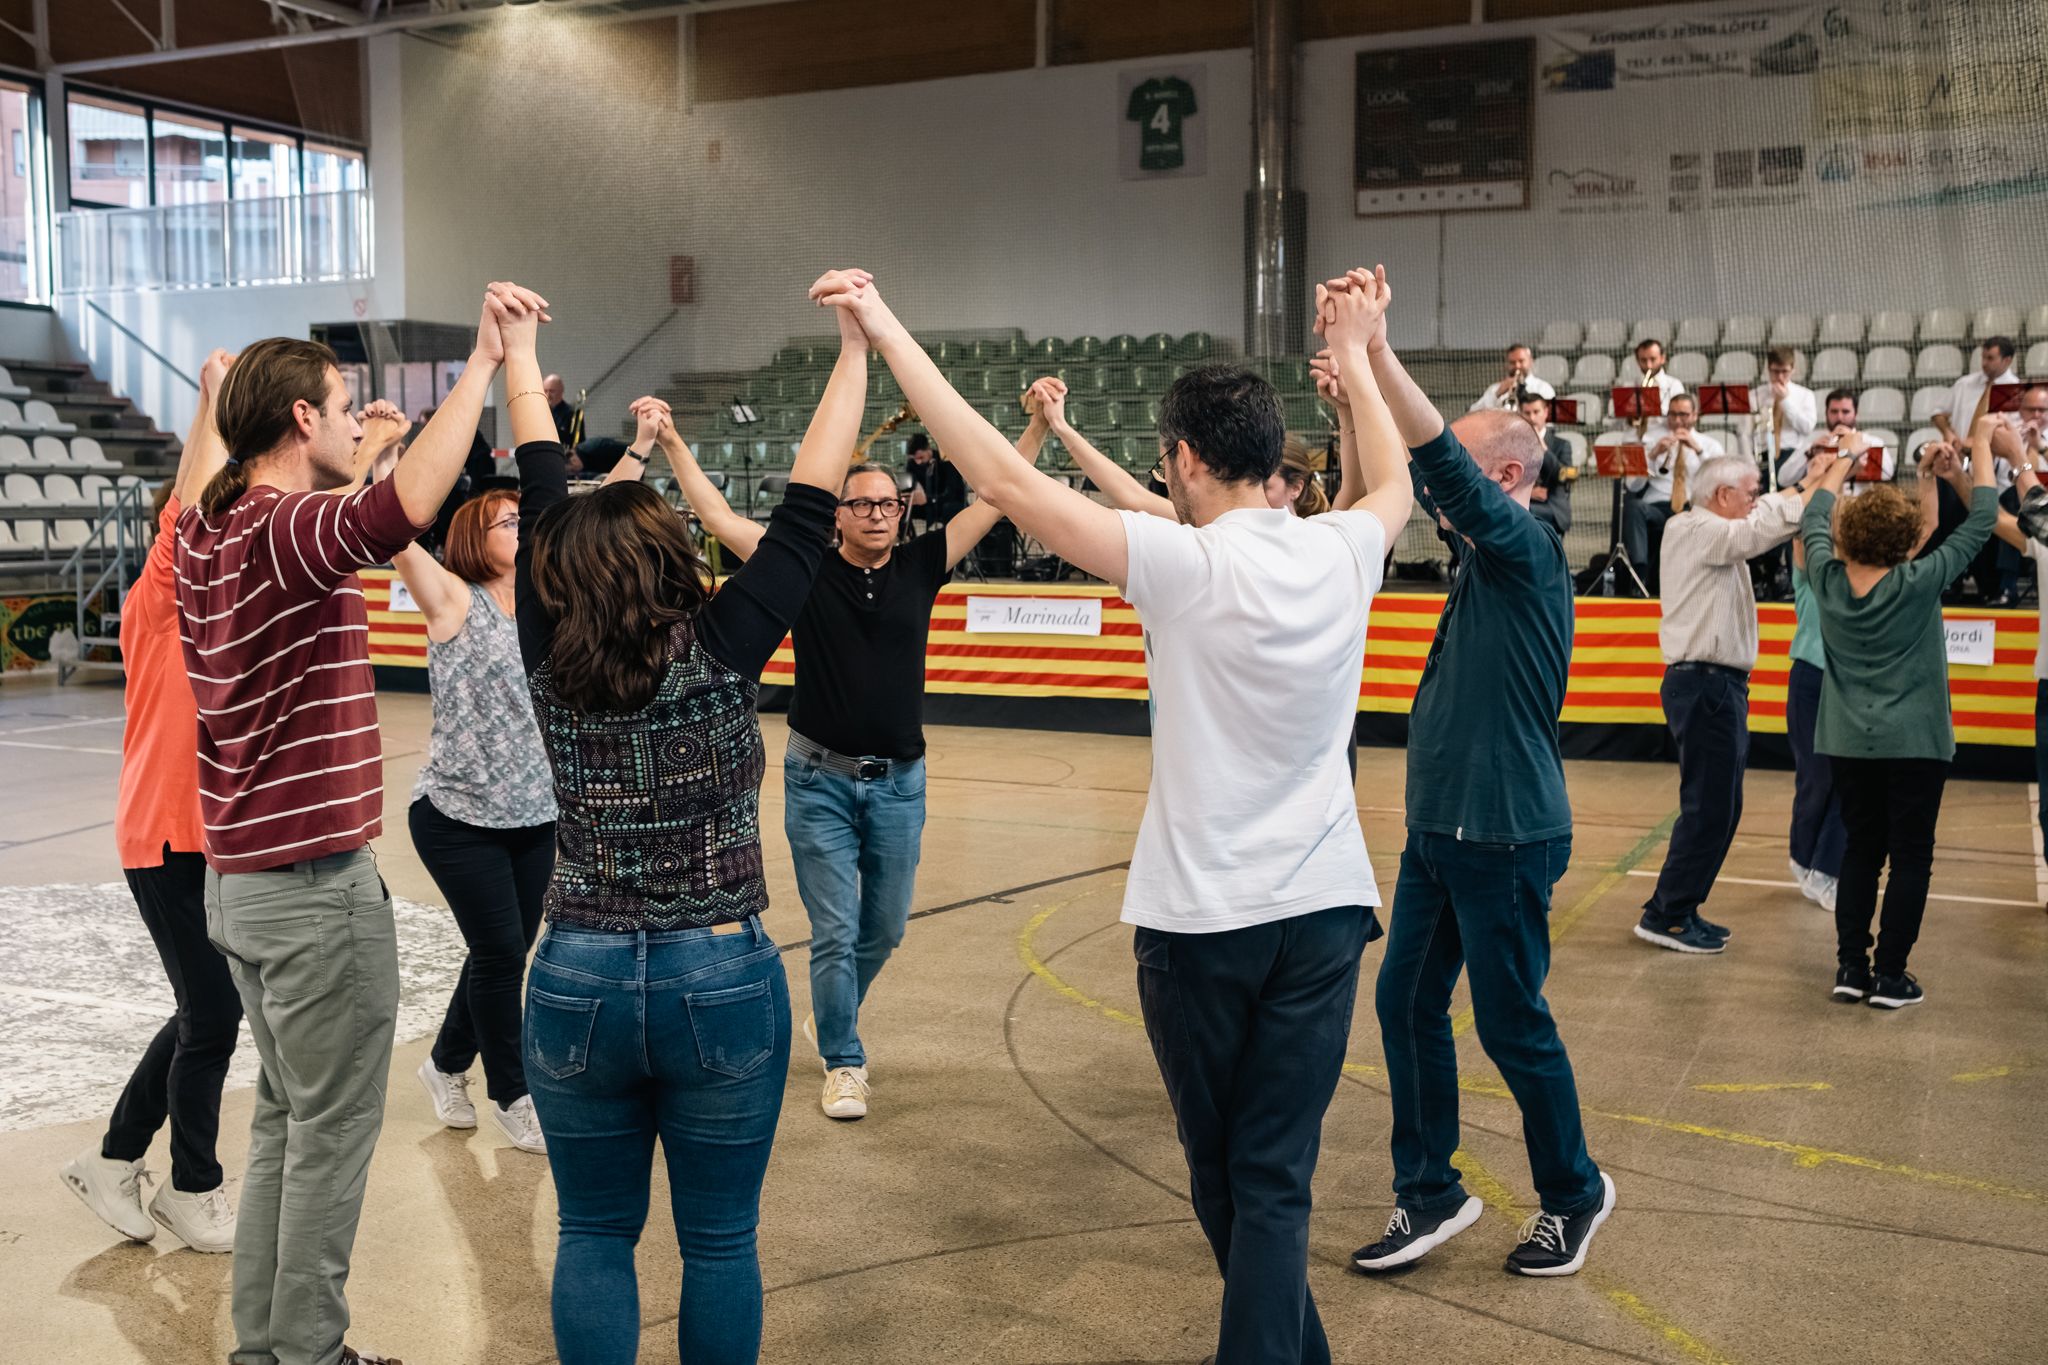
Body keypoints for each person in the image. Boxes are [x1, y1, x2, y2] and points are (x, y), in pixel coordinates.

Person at [823, 267, 1413, 1363]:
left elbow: (996, 470)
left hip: (1202, 927)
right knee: (1271, 1178)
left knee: (1222, 1174)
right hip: (1328, 913)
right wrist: (1366, 351)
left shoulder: (1182, 566)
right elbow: (1395, 488)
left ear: (1184, 459)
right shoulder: (1340, 552)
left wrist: (886, 326)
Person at [179, 282, 540, 1365]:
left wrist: (330, 437)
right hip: (308, 888)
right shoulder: (287, 530)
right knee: (330, 1136)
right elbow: (401, 513)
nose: (357, 421)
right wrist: (480, 364)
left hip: (239, 882)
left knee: (290, 1123)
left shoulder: (209, 530)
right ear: (298, 421)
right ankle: (311, 1352)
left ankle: (270, 1346)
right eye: (344, 407)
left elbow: (231, 476)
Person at [512, 271, 864, 1364]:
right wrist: (854, 350)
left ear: (557, 572)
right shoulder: (723, 648)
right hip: (719, 972)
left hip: (574, 969)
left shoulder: (542, 649)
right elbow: (808, 511)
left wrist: (516, 352)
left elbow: (536, 482)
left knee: (594, 1233)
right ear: (676, 562)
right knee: (718, 1244)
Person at [1325, 270, 1613, 1281]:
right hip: (1441, 834)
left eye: (1460, 471)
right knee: (1405, 1004)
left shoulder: (1527, 549)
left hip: (1503, 834)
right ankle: (1429, 1193)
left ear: (1500, 480)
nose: (1439, 488)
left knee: (1508, 1023)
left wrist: (1372, 355)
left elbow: (1432, 465)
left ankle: (1572, 1193)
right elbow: (1381, 491)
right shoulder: (1478, 567)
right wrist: (1355, 403)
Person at [649, 392, 1009, 1122]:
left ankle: (831, 1014)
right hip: (818, 781)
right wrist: (673, 442)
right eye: (863, 503)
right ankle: (844, 1059)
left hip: (901, 782)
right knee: (836, 929)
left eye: (890, 504)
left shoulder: (921, 565)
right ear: (837, 512)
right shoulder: (803, 568)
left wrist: (1039, 426)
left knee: (885, 927)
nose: (880, 513)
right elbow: (719, 520)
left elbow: (999, 495)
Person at [60, 349, 243, 1255]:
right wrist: (209, 399)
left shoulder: (220, 613)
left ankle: (115, 1159)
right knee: (213, 1013)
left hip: (212, 837)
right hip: (162, 837)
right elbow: (190, 503)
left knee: (208, 1008)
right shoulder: (156, 601)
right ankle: (192, 1184)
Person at [402, 478, 593, 1156]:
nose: (523, 527)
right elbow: (392, 533)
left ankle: (445, 1062)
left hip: (535, 813)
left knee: (504, 950)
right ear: (473, 538)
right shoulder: (454, 598)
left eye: (522, 518)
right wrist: (386, 461)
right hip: (457, 817)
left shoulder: (545, 605)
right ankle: (513, 1094)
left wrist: (639, 451)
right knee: (499, 953)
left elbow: (581, 518)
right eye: (508, 520)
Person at [1802, 423, 2000, 1008]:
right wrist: (1982, 446)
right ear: (1907, 540)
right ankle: (1891, 975)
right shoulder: (1920, 582)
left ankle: (1849, 967)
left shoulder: (1825, 578)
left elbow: (1815, 515)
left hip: (1846, 740)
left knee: (1861, 849)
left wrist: (1845, 456)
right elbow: (1984, 520)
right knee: (1912, 854)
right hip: (1916, 740)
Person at [1634, 451, 1830, 953]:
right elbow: (1758, 529)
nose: (1754, 500)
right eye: (1748, 492)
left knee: (1720, 806)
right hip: (1704, 686)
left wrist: (1809, 480)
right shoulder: (1694, 528)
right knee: (1708, 808)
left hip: (1715, 687)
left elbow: (1762, 513)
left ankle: (1680, 907)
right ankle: (1667, 914)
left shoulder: (1709, 529)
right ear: (1723, 496)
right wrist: (1827, 481)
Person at [1786, 529, 1848, 913]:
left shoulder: (1863, 580)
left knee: (1847, 779)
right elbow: (1800, 538)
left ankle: (1828, 869)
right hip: (1810, 679)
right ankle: (1802, 855)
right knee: (1816, 778)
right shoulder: (1810, 574)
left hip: (1850, 685)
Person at [1622, 392, 1721, 593]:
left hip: (1692, 508)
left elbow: (1718, 481)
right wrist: (1652, 455)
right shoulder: (1653, 442)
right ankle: (1639, 576)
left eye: (1683, 415)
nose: (1677, 421)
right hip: (1658, 507)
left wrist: (1698, 450)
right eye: (1672, 415)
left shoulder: (1710, 445)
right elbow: (1632, 486)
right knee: (1633, 507)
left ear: (1695, 415)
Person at [1752, 346, 1819, 484]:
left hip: (1792, 455)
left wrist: (1786, 401)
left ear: (1793, 369)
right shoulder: (1755, 395)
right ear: (1768, 369)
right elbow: (1746, 432)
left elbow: (1807, 428)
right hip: (1763, 455)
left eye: (1785, 372)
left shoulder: (1805, 395)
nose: (1780, 377)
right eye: (1775, 371)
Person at [1521, 391, 1574, 536]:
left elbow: (1565, 476)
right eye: (1527, 413)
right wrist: (1529, 493)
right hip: (1525, 503)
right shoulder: (1515, 445)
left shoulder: (1562, 445)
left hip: (1552, 507)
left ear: (1545, 412)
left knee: (1521, 513)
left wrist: (1543, 448)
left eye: (1536, 412)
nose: (1532, 418)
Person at [904, 433, 966, 531]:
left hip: (947, 503)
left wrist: (928, 499)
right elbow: (911, 483)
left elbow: (952, 494)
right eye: (914, 459)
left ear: (928, 449)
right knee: (901, 508)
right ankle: (909, 539)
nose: (918, 462)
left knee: (949, 508)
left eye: (920, 457)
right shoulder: (912, 464)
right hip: (927, 504)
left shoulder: (945, 461)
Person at [1469, 342, 1555, 413]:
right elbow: (1473, 413)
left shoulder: (1543, 388)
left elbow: (1549, 419)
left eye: (1521, 361)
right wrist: (1497, 393)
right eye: (1512, 362)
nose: (1517, 366)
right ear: (1506, 365)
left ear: (1531, 362)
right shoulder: (1494, 389)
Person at [544, 372, 575, 445]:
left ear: (561, 391)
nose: (548, 395)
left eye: (552, 391)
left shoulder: (571, 414)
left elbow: (576, 441)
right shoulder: (540, 413)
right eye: (545, 391)